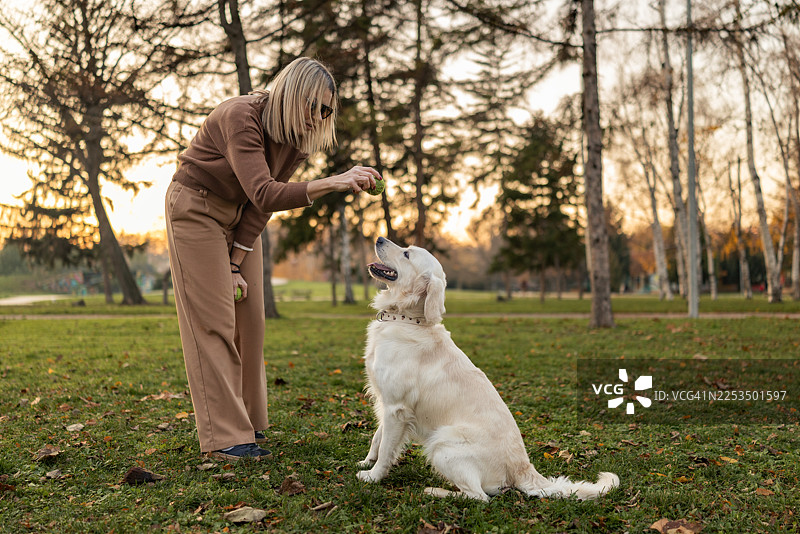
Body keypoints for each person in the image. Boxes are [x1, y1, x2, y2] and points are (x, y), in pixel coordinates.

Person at [165, 57, 380, 460]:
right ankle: (225, 437)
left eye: (327, 111)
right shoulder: (240, 116)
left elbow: (260, 208)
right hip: (195, 209)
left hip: (240, 217)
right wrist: (332, 181)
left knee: (252, 321)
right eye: (315, 106)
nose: (320, 117)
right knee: (214, 322)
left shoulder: (295, 139)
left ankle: (249, 421)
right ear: (292, 94)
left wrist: (235, 261)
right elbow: (265, 191)